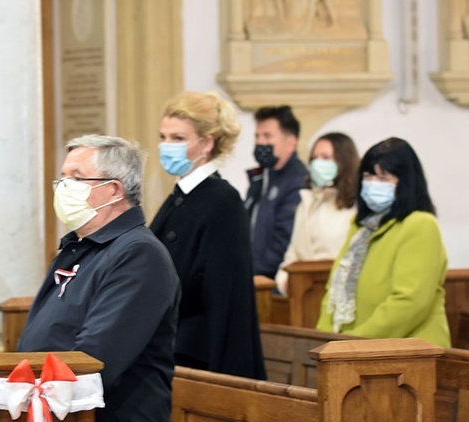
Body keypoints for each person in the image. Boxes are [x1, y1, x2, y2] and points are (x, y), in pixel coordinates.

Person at [17, 134, 180, 422]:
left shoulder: (139, 255)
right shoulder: (80, 248)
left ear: (114, 190)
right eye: (62, 178)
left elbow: (95, 359)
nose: (63, 188)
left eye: (76, 178)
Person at [150, 90, 266, 379]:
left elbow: (223, 295)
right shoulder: (182, 195)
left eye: (178, 138)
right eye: (163, 137)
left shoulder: (222, 200)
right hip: (169, 343)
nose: (166, 146)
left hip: (197, 354)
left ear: (207, 142)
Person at [316, 137, 450, 348]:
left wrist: (353, 343)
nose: (373, 184)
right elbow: (335, 288)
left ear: (405, 182)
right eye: (368, 176)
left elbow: (410, 301)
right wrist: (322, 339)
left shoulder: (420, 225)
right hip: (353, 348)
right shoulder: (361, 226)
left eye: (383, 178)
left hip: (407, 352)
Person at [275, 132, 359, 296]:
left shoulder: (354, 208)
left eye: (326, 157)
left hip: (339, 294)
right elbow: (292, 255)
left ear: (344, 161)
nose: (318, 163)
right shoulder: (307, 203)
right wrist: (285, 281)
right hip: (303, 295)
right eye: (314, 158)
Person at [244, 105, 308, 279]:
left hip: (271, 281)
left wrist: (253, 272)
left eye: (267, 136)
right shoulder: (261, 178)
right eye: (257, 136)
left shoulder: (298, 182)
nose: (260, 142)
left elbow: (284, 240)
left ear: (290, 143)